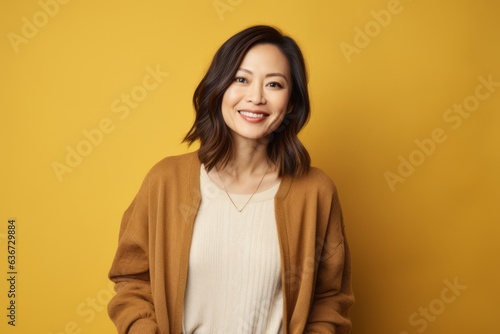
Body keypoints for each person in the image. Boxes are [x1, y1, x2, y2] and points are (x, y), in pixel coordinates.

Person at [108, 25, 354, 334]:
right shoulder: (165, 181)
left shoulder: (316, 192)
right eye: (241, 79)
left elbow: (330, 298)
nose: (256, 97)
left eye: (275, 84)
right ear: (220, 87)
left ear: (291, 103)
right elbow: (132, 278)